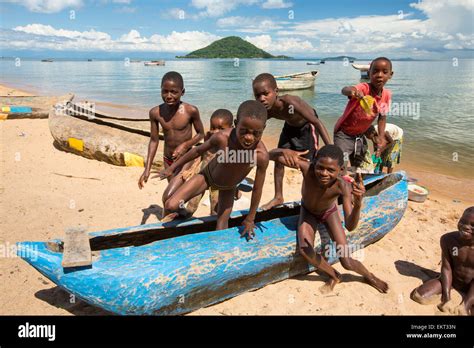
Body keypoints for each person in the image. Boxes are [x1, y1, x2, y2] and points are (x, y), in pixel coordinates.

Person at [269, 145, 389, 293]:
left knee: (346, 261)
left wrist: (358, 203)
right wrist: (283, 151)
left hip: (329, 212)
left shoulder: (343, 186)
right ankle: (334, 275)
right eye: (320, 167)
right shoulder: (307, 168)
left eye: (331, 170)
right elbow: (270, 156)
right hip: (308, 211)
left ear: (341, 170)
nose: (324, 173)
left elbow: (350, 226)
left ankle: (369, 276)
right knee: (306, 250)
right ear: (314, 163)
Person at [154, 100, 269, 239]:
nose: (249, 138)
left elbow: (257, 188)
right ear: (236, 123)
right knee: (171, 205)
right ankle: (183, 216)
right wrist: (172, 168)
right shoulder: (222, 138)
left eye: (256, 133)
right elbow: (197, 151)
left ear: (264, 128)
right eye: (244, 131)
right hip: (207, 177)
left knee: (221, 225)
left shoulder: (261, 156)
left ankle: (219, 252)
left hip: (228, 187)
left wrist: (250, 218)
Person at [252, 73, 331, 211]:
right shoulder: (266, 111)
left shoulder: (290, 102)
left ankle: (312, 197)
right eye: (257, 96)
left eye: (265, 94)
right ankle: (278, 197)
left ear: (276, 91)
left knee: (309, 164)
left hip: (308, 126)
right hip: (290, 127)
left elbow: (316, 122)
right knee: (278, 159)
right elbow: (256, 131)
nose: (262, 99)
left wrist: (330, 148)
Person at [137, 71, 205, 217]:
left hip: (186, 159)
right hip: (168, 160)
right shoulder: (155, 113)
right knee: (175, 197)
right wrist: (147, 169)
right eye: (165, 91)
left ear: (182, 92)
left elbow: (201, 134)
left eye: (174, 92)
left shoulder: (190, 111)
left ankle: (167, 222)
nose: (169, 96)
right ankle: (182, 217)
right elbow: (154, 140)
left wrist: (185, 145)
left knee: (167, 197)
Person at [410, 207, 474, 315]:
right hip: (453, 280)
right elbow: (446, 268)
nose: (465, 227)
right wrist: (446, 299)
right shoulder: (448, 239)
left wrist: (465, 305)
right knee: (419, 296)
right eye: (462, 221)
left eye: (473, 225)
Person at [334, 57, 393, 171]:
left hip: (360, 136)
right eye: (375, 71)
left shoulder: (386, 95)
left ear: (390, 74)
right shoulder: (364, 88)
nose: (379, 75)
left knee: (363, 169)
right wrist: (352, 92)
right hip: (344, 134)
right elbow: (345, 89)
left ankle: (356, 186)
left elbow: (382, 118)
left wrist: (380, 138)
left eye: (384, 72)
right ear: (369, 73)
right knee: (340, 166)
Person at [184, 109, 236, 216]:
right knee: (191, 204)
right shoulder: (208, 136)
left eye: (221, 128)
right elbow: (202, 153)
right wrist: (192, 169)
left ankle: (213, 228)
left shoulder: (231, 142)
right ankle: (182, 224)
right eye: (213, 127)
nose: (215, 131)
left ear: (231, 128)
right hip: (203, 173)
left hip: (219, 178)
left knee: (215, 209)